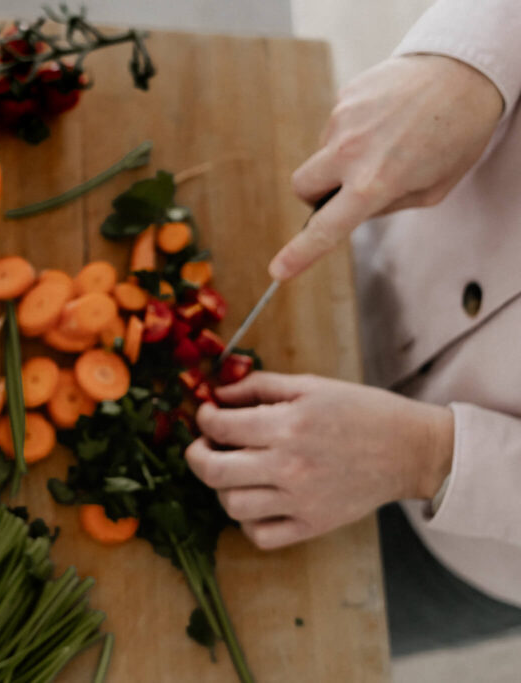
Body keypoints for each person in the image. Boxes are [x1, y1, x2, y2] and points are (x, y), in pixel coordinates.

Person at [184, 0, 521, 656]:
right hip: (412, 241)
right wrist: (472, 60)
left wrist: (431, 456)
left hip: (468, 543)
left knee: (268, 636)